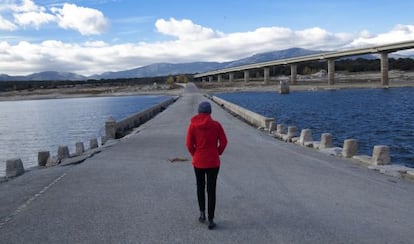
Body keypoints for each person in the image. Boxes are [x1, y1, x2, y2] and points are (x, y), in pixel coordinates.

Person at [186, 101, 228, 230]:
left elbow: (188, 144)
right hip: (213, 162)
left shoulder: (192, 126)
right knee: (211, 190)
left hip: (198, 161)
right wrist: (218, 152)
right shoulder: (216, 125)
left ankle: (202, 214)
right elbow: (224, 142)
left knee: (200, 187)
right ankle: (211, 219)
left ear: (199, 112)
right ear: (210, 112)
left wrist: (195, 154)